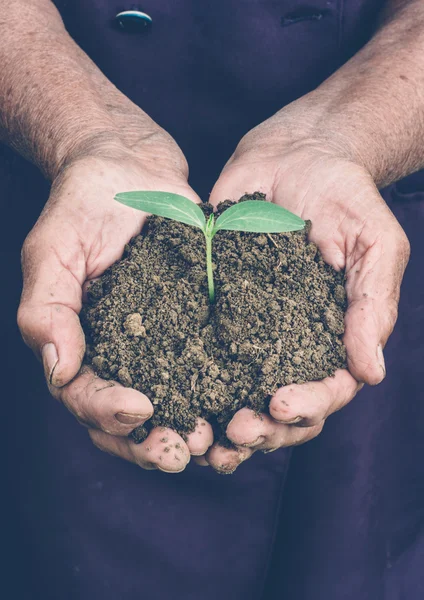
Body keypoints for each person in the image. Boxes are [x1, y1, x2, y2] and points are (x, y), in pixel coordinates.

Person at [2, 1, 423, 598]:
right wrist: (84, 134)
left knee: (352, 549)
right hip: (72, 204)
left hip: (344, 204)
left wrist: (341, 137)